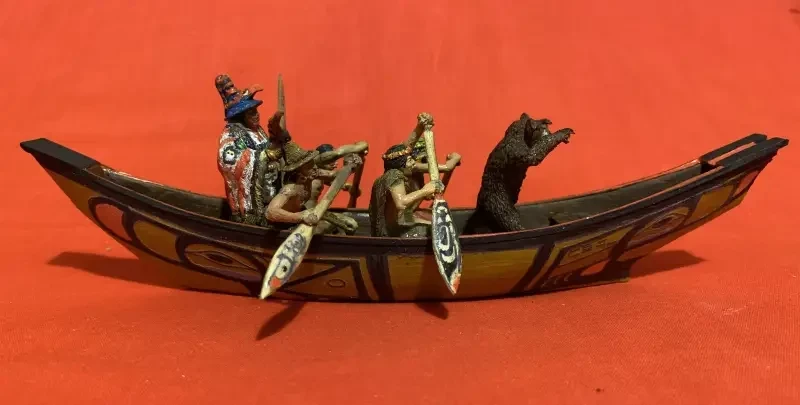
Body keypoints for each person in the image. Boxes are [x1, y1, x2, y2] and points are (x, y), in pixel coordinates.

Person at [215, 74, 294, 226]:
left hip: (271, 187)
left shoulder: (258, 130)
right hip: (254, 197)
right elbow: (229, 160)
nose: (257, 115)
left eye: (256, 111)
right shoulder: (231, 134)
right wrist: (264, 156)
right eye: (251, 113)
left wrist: (278, 139)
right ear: (241, 116)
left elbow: (270, 146)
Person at [265, 144, 361, 235]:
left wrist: (349, 166)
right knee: (326, 226)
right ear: (299, 172)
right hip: (283, 224)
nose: (315, 167)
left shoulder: (313, 173)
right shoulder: (290, 189)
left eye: (312, 163)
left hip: (305, 214)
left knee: (349, 223)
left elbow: (334, 175)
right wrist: (301, 216)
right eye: (309, 165)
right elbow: (270, 212)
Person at [368, 143, 440, 237]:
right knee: (437, 229)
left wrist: (424, 194)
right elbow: (401, 203)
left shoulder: (387, 177)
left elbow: (404, 211)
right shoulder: (394, 174)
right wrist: (425, 190)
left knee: (434, 223)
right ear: (400, 163)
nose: (414, 163)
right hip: (390, 233)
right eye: (410, 160)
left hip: (391, 227)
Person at [398, 113, 462, 192]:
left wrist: (420, 126)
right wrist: (455, 158)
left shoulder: (415, 168)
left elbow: (434, 191)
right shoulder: (412, 165)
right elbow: (447, 167)